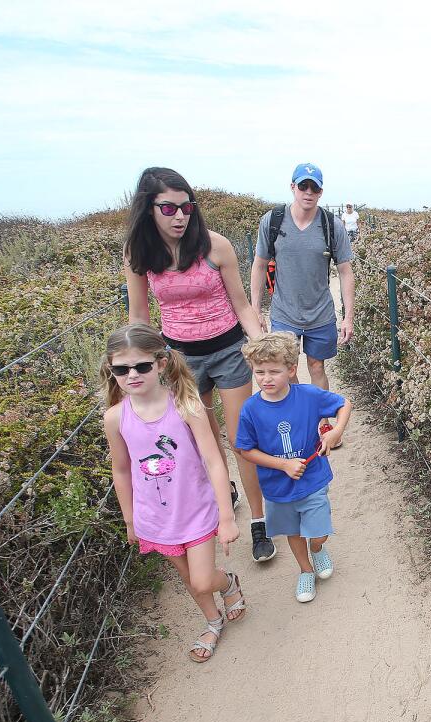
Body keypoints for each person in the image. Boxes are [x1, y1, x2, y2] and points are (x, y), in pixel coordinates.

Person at [123, 167, 273, 563]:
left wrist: (261, 348)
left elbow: (241, 304)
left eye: (186, 206)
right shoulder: (140, 256)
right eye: (168, 207)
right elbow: (140, 318)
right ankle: (226, 499)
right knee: (200, 439)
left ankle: (259, 521)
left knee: (242, 438)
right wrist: (139, 368)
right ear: (148, 209)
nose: (179, 216)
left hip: (228, 350)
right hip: (180, 360)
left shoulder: (216, 246)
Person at [102, 323, 246, 663]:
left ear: (161, 363)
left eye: (141, 366)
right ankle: (212, 621)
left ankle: (226, 583)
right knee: (187, 578)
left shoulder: (186, 405)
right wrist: (130, 519)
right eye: (121, 369)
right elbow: (121, 470)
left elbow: (213, 460)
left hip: (195, 509)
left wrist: (226, 516)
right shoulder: (115, 418)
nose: (132, 374)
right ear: (112, 370)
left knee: (200, 580)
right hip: (154, 517)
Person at [234, 332, 351, 603]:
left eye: (274, 371)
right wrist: (282, 464)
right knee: (293, 532)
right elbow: (245, 449)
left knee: (319, 532)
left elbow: (344, 404)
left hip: (312, 478)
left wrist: (335, 432)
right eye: (259, 371)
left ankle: (318, 549)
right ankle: (305, 570)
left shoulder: (308, 395)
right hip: (277, 487)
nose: (266, 378)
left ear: (290, 369)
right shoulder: (250, 409)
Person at [249, 163, 356, 398]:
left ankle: (322, 420)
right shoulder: (272, 220)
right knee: (287, 370)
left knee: (317, 366)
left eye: (314, 188)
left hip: (320, 312)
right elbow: (258, 265)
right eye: (303, 186)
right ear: (293, 187)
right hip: (284, 312)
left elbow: (346, 271)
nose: (308, 192)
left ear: (321, 192)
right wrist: (255, 310)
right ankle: (301, 416)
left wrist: (348, 317)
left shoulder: (332, 225)